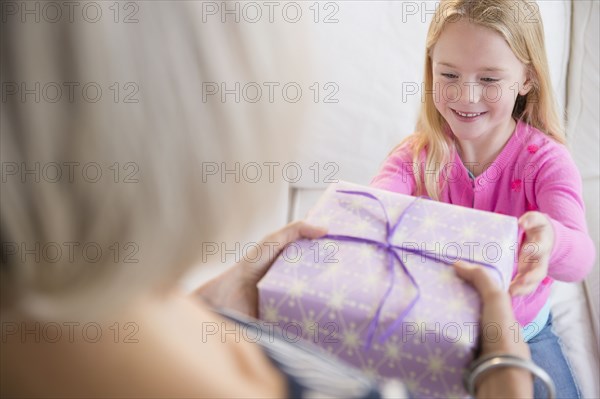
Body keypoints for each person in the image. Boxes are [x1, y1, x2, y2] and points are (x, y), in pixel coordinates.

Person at [1, 1, 535, 398]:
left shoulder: (68, 318)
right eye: (449, 75)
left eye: (489, 79)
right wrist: (505, 369)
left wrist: (215, 308)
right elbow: (383, 198)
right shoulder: (417, 149)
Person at [370, 0, 595, 397]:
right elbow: (372, 211)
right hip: (431, 327)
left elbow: (579, 259)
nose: (466, 95)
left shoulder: (545, 162)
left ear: (526, 78)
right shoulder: (414, 158)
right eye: (449, 74)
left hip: (523, 329)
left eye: (489, 79)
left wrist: (551, 239)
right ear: (431, 70)